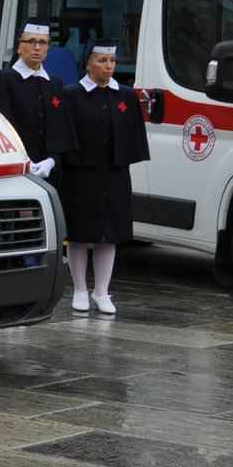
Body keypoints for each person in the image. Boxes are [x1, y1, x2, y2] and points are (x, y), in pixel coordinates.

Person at [57, 39, 149, 315]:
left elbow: (133, 135)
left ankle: (102, 291)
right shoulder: (71, 95)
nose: (108, 67)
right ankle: (80, 290)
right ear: (88, 63)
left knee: (109, 234)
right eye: (101, 61)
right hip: (80, 173)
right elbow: (65, 135)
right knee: (79, 233)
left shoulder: (127, 96)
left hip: (114, 173)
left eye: (112, 62)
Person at [0, 21, 77, 183]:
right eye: (30, 41)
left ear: (48, 48)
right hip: (15, 169)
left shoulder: (54, 83)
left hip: (48, 171)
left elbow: (61, 128)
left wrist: (52, 160)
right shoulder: (6, 79)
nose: (37, 47)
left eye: (43, 42)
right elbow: (1, 126)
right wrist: (24, 160)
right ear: (19, 47)